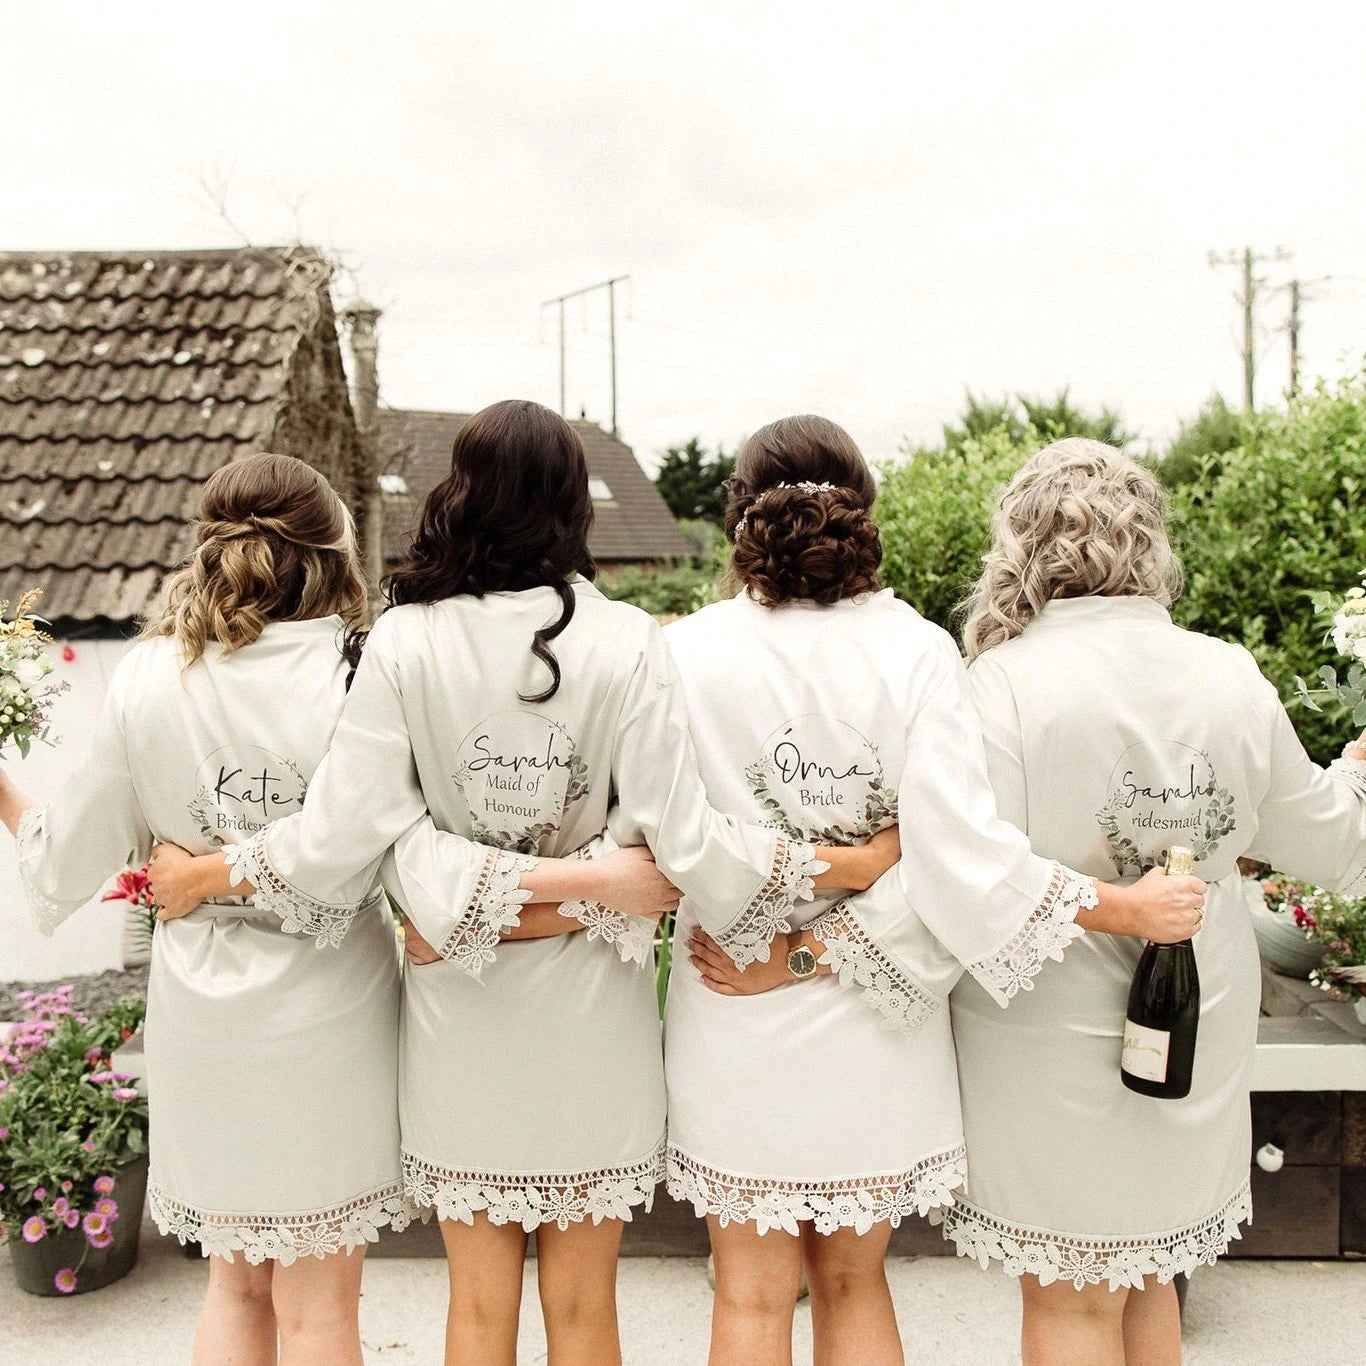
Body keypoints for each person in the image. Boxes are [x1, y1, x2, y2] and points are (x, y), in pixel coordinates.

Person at [148, 399, 896, 1366]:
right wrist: (611, 881)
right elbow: (672, 851)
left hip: (460, 1017)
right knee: (586, 1309)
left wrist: (458, 904)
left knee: (475, 1308)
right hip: (596, 1020)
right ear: (570, 507)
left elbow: (368, 842)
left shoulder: (404, 642)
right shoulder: (629, 641)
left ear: (459, 493)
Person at [673, 417, 1205, 1366]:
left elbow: (672, 839)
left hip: (729, 997)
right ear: (861, 507)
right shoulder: (919, 650)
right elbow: (959, 857)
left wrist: (778, 939)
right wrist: (860, 864)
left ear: (737, 519)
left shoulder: (687, 653)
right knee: (854, 1280)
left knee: (751, 1295)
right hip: (874, 1013)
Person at [938, 438, 1366, 1366]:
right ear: (1150, 542)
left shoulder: (1000, 686)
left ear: (1021, 543)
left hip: (1042, 1028)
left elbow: (969, 868)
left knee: (1068, 1301)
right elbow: (1332, 839)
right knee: (1144, 1283)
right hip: (1198, 1018)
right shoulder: (1228, 674)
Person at [0, 454, 408, 1366]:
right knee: (320, 1306)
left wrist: (4, 789)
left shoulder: (148, 677)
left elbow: (70, 850)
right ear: (332, 550)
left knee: (234, 1287)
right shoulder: (358, 673)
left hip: (203, 1014)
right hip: (330, 1009)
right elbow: (357, 845)